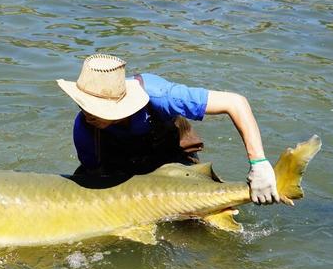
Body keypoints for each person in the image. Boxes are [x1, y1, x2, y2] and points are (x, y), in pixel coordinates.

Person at [57, 53, 280, 205]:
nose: (88, 114)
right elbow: (98, 177)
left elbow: (235, 102)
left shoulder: (161, 96)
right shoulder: (85, 130)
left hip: (173, 159)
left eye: (97, 109)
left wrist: (258, 163)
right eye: (83, 105)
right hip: (124, 172)